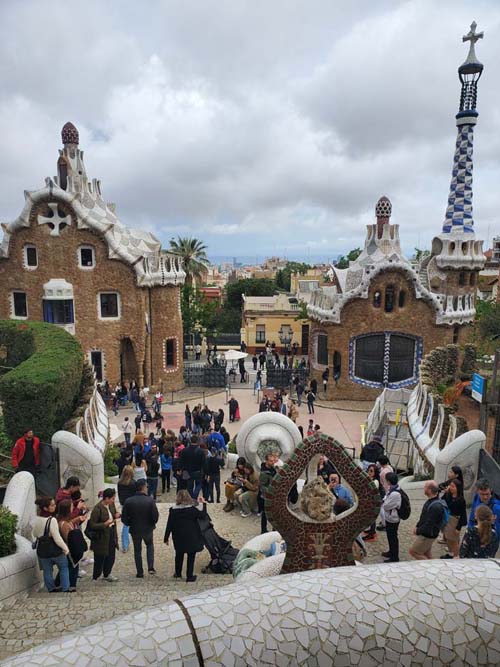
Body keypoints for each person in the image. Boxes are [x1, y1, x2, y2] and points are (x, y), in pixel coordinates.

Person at [164, 490, 206, 582]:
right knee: (191, 556)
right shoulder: (192, 510)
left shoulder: (173, 510)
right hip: (191, 536)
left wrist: (166, 537)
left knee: (179, 555)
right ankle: (189, 576)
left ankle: (178, 573)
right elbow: (202, 515)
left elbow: (169, 524)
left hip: (178, 537)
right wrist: (203, 504)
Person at [121, 478, 159, 578]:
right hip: (148, 529)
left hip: (135, 529)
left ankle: (140, 572)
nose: (147, 488)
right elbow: (155, 516)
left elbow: (124, 518)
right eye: (146, 486)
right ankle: (150, 567)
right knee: (150, 545)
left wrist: (130, 523)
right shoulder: (150, 500)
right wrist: (151, 523)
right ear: (143, 488)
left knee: (137, 550)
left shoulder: (128, 501)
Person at [32, 496, 70, 593]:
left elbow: (34, 534)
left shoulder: (35, 519)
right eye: (52, 505)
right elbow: (57, 538)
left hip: (42, 550)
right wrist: (66, 549)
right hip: (55, 549)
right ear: (45, 508)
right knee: (64, 568)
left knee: (47, 571)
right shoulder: (51, 520)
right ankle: (66, 588)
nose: (54, 506)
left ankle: (51, 589)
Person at [88, 488, 120, 582]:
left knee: (111, 555)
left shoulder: (111, 505)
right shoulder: (97, 509)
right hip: (101, 536)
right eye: (112, 498)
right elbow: (92, 525)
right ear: (106, 498)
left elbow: (113, 514)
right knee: (100, 557)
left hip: (111, 532)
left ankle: (107, 573)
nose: (113, 500)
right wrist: (104, 524)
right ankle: (96, 575)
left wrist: (116, 515)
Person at [409, 481, 444, 561]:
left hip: (428, 535)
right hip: (428, 533)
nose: (423, 488)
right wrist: (417, 526)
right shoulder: (430, 501)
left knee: (413, 551)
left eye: (425, 487)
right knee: (427, 553)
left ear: (429, 490)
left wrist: (418, 531)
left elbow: (429, 524)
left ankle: (432, 567)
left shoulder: (436, 507)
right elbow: (423, 517)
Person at [56, 499, 83, 592]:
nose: (73, 508)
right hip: (69, 550)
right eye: (71, 507)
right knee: (71, 567)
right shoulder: (63, 524)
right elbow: (68, 538)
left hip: (70, 549)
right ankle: (70, 585)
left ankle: (62, 583)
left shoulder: (65, 522)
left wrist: (77, 519)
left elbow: (70, 523)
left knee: (70, 567)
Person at [440, 479, 467, 559]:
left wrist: (458, 527)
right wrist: (446, 492)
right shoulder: (448, 495)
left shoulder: (461, 499)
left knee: (454, 539)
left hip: (455, 520)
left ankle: (456, 555)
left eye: (453, 486)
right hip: (447, 518)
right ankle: (450, 553)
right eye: (450, 486)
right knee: (448, 537)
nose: (451, 488)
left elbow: (462, 514)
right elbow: (442, 500)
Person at [379, 472, 401, 562]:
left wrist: (384, 502)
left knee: (393, 537)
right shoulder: (392, 489)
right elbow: (385, 498)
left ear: (389, 481)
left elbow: (386, 505)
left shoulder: (395, 493)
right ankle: (391, 552)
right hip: (390, 517)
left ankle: (394, 557)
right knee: (390, 536)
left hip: (393, 519)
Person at [117, 465, 136, 553]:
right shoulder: (133, 483)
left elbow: (120, 494)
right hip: (132, 505)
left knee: (126, 524)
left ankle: (125, 544)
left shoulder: (119, 483)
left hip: (124, 504)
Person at [180, 435, 205, 499]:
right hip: (198, 471)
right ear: (197, 441)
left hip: (188, 471)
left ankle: (191, 498)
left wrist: (182, 470)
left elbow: (182, 461)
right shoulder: (201, 451)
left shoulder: (185, 450)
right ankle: (195, 496)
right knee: (199, 484)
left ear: (190, 441)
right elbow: (203, 463)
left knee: (189, 486)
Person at [259, 452, 278, 533]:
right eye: (270, 461)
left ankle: (274, 530)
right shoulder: (264, 473)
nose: (272, 462)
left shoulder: (274, 469)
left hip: (274, 496)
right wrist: (270, 492)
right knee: (265, 514)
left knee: (275, 514)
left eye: (273, 461)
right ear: (266, 461)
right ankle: (263, 530)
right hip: (266, 497)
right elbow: (262, 486)